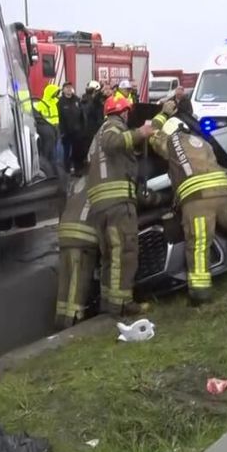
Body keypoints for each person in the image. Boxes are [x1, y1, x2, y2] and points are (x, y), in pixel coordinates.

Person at [149, 109, 227, 305]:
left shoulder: (170, 142)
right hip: (224, 192)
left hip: (197, 200)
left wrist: (161, 113)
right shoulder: (202, 142)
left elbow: (152, 134)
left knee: (198, 244)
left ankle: (200, 294)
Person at [86, 95, 155, 316]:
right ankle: (123, 304)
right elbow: (113, 142)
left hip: (100, 205)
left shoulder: (96, 136)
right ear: (124, 113)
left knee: (110, 256)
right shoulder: (112, 127)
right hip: (117, 204)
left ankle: (109, 302)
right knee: (125, 251)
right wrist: (141, 133)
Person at [55, 177, 98, 329]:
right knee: (77, 282)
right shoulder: (100, 181)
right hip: (82, 237)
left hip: (65, 234)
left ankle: (60, 319)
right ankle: (73, 321)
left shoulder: (79, 182)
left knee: (64, 280)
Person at [77, 81, 105, 174]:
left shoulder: (82, 100)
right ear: (95, 92)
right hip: (92, 130)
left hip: (85, 131)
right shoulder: (92, 103)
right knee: (92, 151)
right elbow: (96, 116)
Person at [58, 82, 83, 174]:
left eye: (70, 87)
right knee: (67, 152)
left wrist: (82, 128)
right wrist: (62, 131)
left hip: (77, 131)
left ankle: (77, 169)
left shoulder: (77, 100)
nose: (69, 89)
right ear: (63, 90)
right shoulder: (60, 102)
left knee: (77, 151)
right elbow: (59, 118)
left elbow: (82, 115)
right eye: (67, 87)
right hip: (66, 132)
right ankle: (67, 170)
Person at [34, 84, 61, 165]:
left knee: (54, 148)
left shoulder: (55, 102)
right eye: (55, 92)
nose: (56, 94)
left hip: (55, 128)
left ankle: (52, 165)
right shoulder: (41, 104)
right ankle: (46, 165)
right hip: (47, 129)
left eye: (56, 92)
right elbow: (36, 116)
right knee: (47, 149)